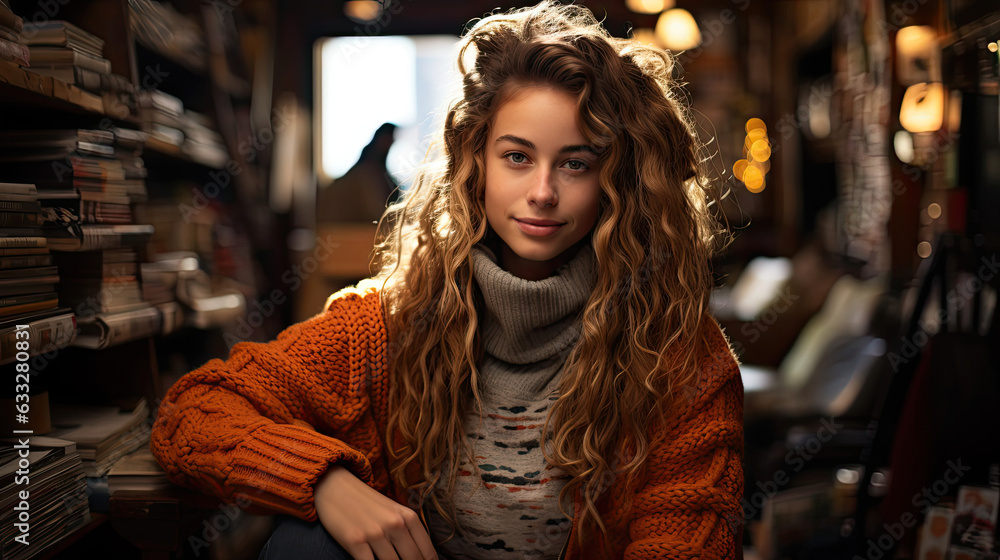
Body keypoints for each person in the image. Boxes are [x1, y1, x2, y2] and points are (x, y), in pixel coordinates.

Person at [150, 2, 745, 559]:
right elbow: (192, 411)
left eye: (575, 163)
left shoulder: (677, 359)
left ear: (620, 180)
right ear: (474, 162)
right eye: (517, 156)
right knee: (304, 541)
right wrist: (325, 482)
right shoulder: (386, 325)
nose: (542, 192)